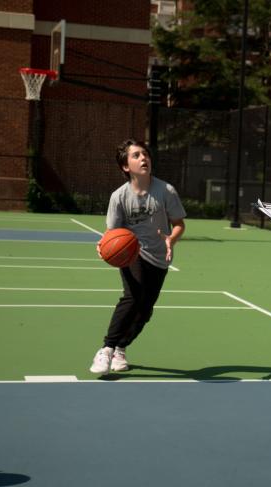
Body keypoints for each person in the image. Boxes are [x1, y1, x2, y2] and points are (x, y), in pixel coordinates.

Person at [89, 139, 186, 375]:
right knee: (133, 295)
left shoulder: (166, 191)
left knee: (145, 309)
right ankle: (107, 348)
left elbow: (179, 224)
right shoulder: (119, 197)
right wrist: (103, 246)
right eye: (136, 155)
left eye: (145, 154)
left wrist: (171, 239)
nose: (144, 158)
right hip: (132, 252)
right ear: (125, 166)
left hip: (160, 256)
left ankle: (122, 348)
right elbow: (112, 234)